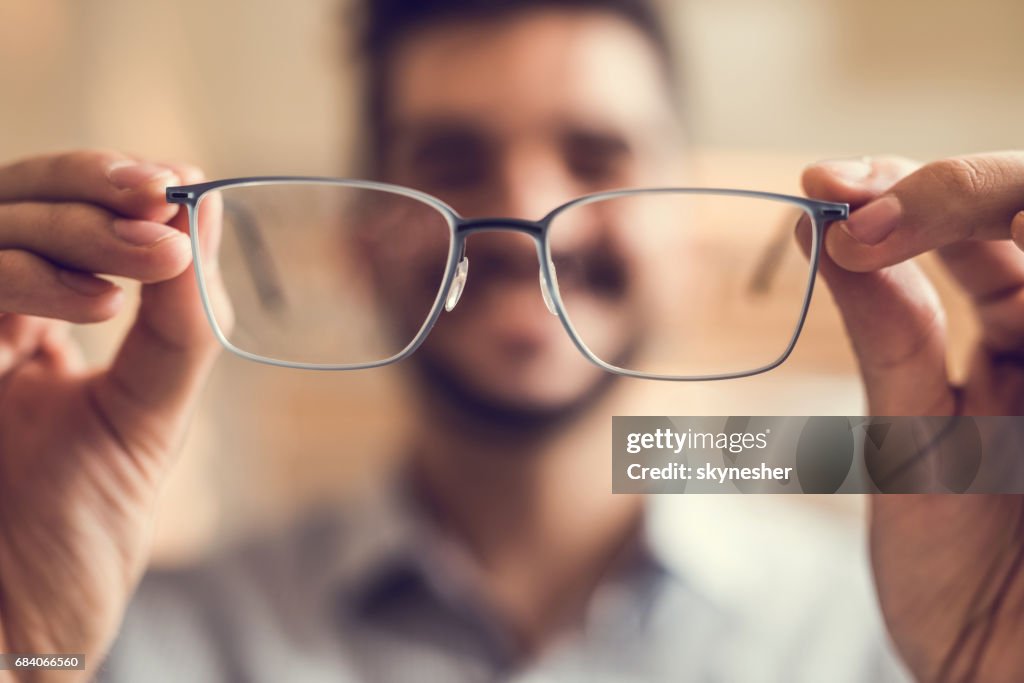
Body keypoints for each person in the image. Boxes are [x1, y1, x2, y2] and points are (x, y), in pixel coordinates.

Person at [0, 0, 1022, 681]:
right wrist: (23, 644)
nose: (531, 209)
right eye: (449, 157)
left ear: (687, 237)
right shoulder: (130, 642)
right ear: (360, 242)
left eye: (595, 153)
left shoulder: (880, 640)